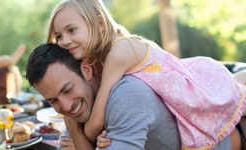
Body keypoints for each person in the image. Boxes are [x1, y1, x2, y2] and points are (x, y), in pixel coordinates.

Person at [45, 0, 246, 149]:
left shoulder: (118, 53)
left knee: (234, 99)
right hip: (177, 92)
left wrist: (78, 130)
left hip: (192, 89)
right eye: (59, 35)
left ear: (99, 24)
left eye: (72, 30)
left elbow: (96, 121)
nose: (64, 41)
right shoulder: (99, 58)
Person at [26, 43, 245, 150]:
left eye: (67, 89)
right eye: (53, 100)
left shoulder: (126, 95)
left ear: (86, 70)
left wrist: (73, 127)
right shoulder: (84, 104)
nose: (65, 106)